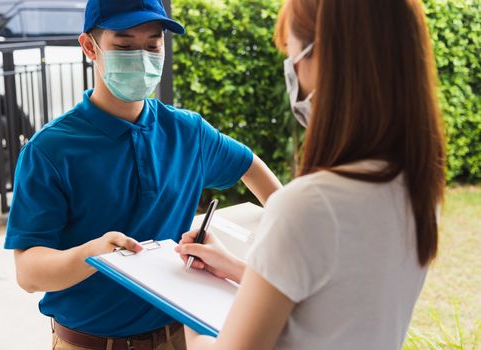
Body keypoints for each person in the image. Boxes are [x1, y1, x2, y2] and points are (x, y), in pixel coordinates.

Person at [4, 0, 282, 349]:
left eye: (153, 45)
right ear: (90, 47)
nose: (142, 57)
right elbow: (28, 273)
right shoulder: (50, 150)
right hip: (88, 343)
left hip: (177, 338)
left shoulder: (187, 131)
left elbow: (251, 167)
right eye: (124, 46)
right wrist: (93, 253)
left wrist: (288, 243)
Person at [176, 0, 446, 349]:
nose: (291, 71)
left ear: (327, 58)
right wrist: (237, 268)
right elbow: (335, 300)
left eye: (292, 54)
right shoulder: (416, 188)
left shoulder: (310, 206)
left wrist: (188, 305)